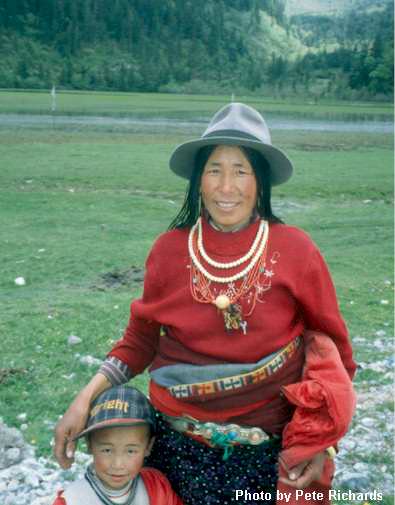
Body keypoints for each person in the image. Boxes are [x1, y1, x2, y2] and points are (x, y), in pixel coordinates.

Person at [54, 103, 356, 505]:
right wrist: (84, 398)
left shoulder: (296, 250)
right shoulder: (168, 251)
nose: (226, 187)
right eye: (214, 169)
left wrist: (322, 443)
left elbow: (335, 351)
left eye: (241, 170)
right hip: (176, 451)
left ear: (260, 181)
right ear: (198, 180)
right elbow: (139, 342)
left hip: (266, 456)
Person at [52, 385, 183, 504]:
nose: (118, 464)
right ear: (89, 445)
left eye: (131, 451)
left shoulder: (157, 486)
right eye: (107, 450)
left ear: (148, 446)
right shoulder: (73, 500)